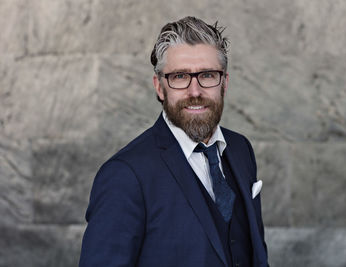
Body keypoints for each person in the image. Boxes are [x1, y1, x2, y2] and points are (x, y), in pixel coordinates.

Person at [79, 16, 269, 267]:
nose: (195, 91)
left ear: (224, 83)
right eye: (180, 77)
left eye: (208, 75)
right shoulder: (124, 175)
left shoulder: (241, 149)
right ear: (159, 87)